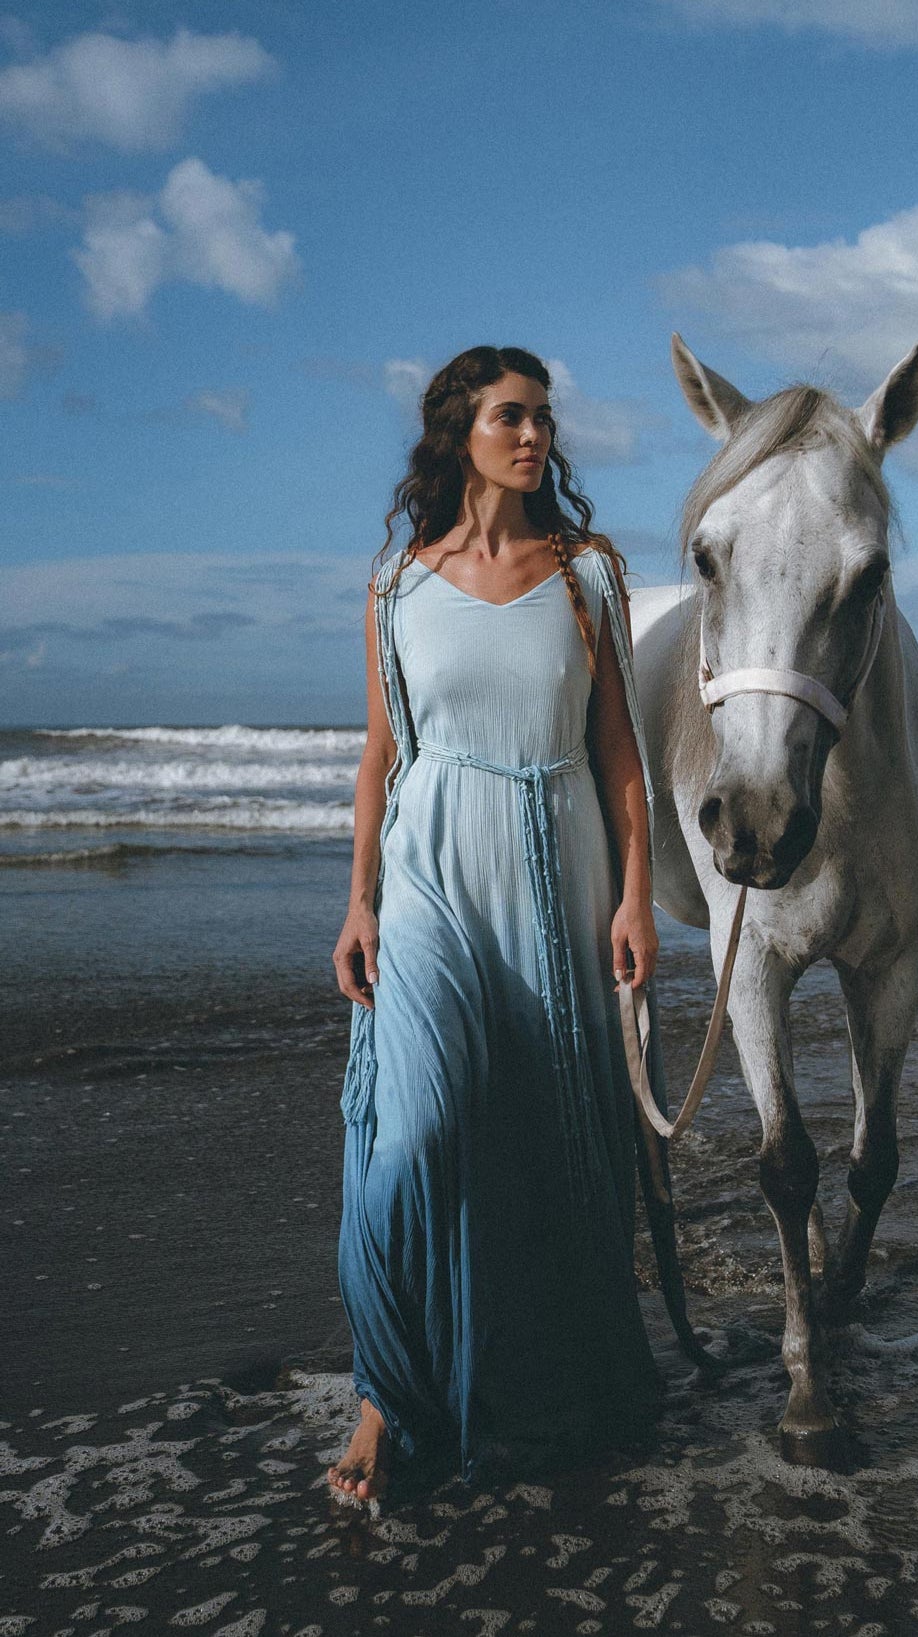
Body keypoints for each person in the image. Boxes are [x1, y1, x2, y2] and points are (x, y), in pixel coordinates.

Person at [326, 345, 666, 1503]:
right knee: (414, 1133)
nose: (536, 436)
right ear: (459, 431)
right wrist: (360, 896)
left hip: (554, 868)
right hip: (430, 875)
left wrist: (634, 891)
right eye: (512, 416)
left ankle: (542, 1387)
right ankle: (387, 1390)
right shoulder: (395, 589)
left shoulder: (587, 576)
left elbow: (620, 753)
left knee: (551, 1135)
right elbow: (381, 757)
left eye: (544, 418)